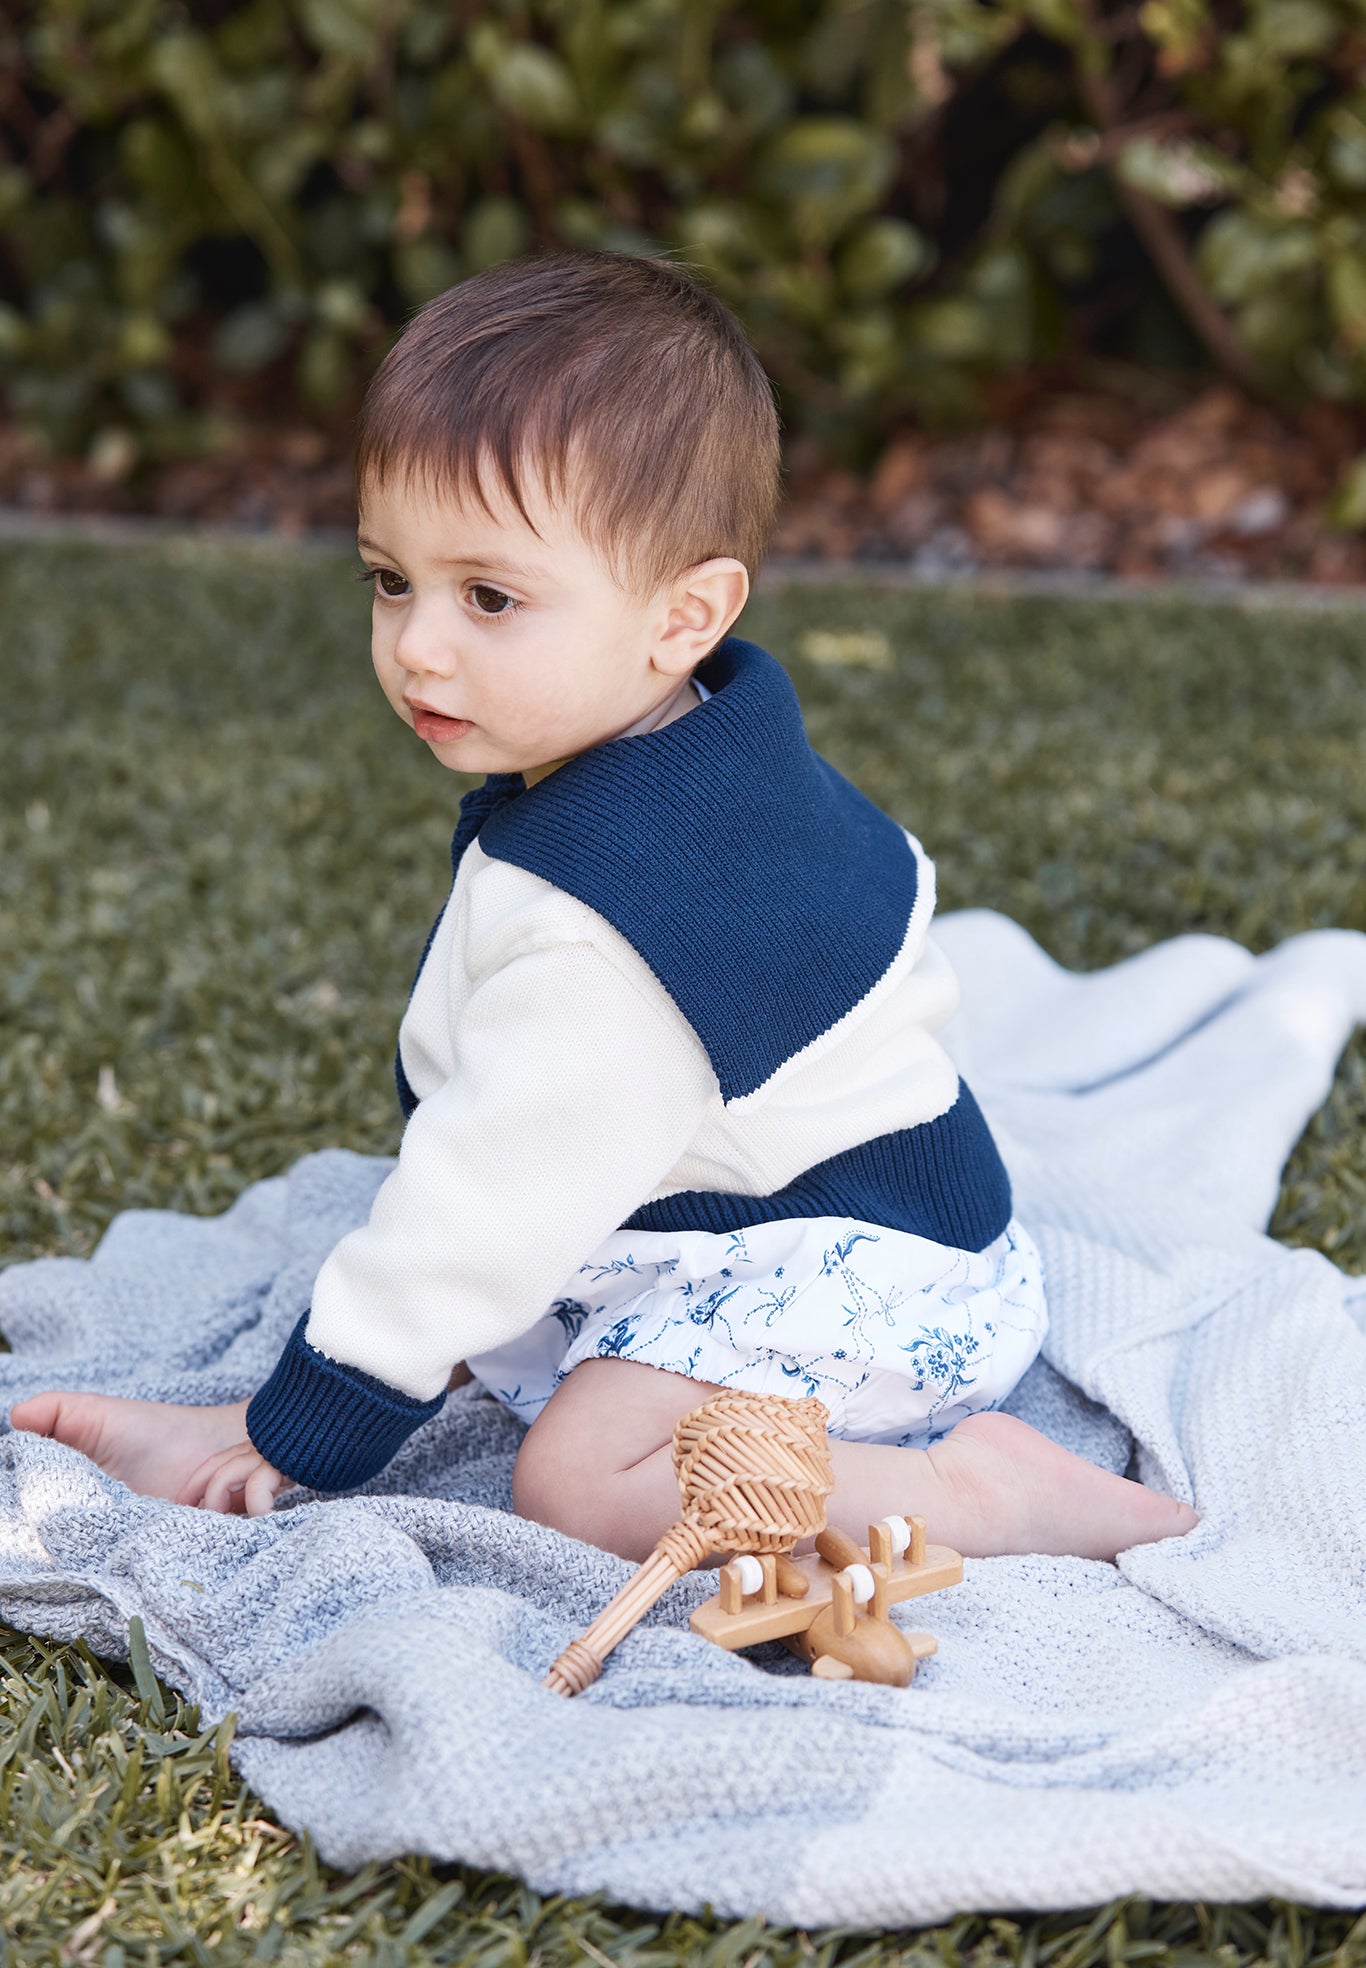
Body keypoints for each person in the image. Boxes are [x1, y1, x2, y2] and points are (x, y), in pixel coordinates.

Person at [10, 254, 1198, 1565]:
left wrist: (301, 1431)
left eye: (490, 598)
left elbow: (489, 1199)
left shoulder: (609, 925)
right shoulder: (701, 738)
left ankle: (984, 1496)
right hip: (789, 1209)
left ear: (683, 614)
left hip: (844, 1279)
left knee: (582, 1474)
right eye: (388, 580)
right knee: (472, 1301)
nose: (416, 644)